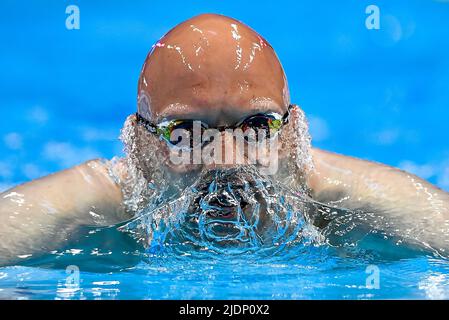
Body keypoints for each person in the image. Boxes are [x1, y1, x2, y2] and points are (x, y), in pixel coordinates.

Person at [1, 13, 448, 265]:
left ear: (293, 136)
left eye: (255, 126)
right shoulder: (81, 213)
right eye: (186, 132)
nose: (226, 160)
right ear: (139, 147)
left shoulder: (366, 207)